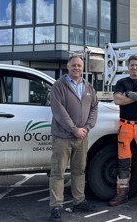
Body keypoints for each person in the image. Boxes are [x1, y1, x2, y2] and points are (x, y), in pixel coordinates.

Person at [49, 55, 99, 222]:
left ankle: (79, 201)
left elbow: (94, 108)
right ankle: (56, 206)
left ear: (82, 68)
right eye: (73, 65)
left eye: (79, 65)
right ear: (67, 67)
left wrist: (86, 128)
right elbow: (58, 111)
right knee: (58, 172)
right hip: (62, 137)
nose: (77, 68)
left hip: (82, 137)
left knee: (79, 171)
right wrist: (74, 129)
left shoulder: (88, 87)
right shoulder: (58, 86)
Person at [109, 55, 137, 209]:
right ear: (128, 67)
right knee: (123, 162)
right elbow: (117, 100)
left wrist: (128, 94)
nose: (134, 68)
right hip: (125, 126)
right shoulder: (121, 82)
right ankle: (122, 193)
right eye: (132, 65)